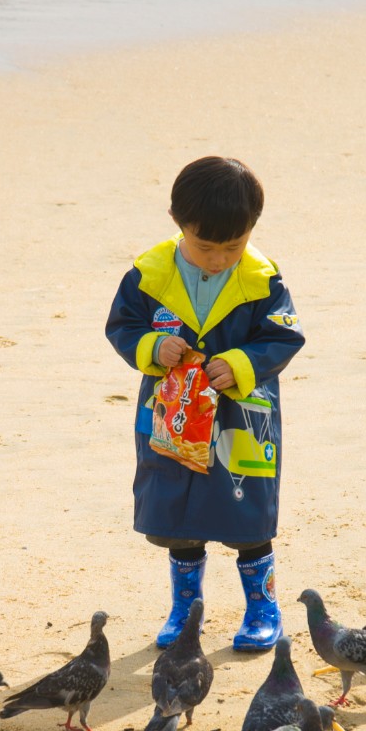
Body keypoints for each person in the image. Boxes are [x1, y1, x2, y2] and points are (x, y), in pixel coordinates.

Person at [104, 157, 305, 652]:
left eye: (232, 247)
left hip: (241, 418)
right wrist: (151, 347)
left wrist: (240, 363)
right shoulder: (147, 276)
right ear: (178, 224)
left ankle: (262, 606)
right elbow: (122, 328)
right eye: (205, 247)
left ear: (252, 231)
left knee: (247, 515)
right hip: (171, 418)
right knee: (178, 515)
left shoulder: (261, 278)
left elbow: (283, 336)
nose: (218, 259)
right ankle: (186, 609)